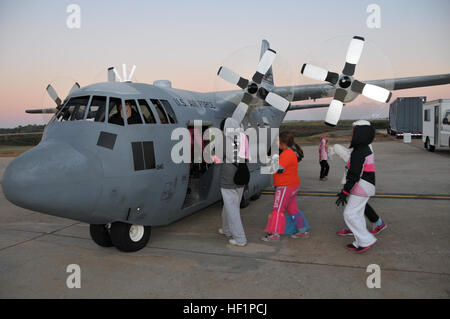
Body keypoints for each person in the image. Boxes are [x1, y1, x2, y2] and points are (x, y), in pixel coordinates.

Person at [335, 120, 378, 253]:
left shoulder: (359, 152)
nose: (350, 135)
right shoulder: (363, 148)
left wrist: (345, 192)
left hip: (362, 187)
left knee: (350, 214)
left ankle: (366, 240)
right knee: (357, 214)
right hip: (365, 185)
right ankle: (359, 241)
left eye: (353, 133)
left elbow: (354, 175)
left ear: (360, 135)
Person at [262, 132, 310, 242]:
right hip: (291, 186)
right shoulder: (290, 152)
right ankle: (302, 231)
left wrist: (263, 164)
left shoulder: (287, 154)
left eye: (278, 141)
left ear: (283, 142)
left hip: (285, 186)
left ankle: (275, 234)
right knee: (293, 209)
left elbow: (278, 169)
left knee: (277, 209)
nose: (277, 143)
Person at [332, 140, 387, 236]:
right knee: (358, 205)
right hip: (357, 180)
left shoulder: (364, 146)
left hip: (361, 181)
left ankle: (375, 226)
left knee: (355, 207)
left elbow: (355, 160)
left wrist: (339, 150)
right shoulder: (360, 144)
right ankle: (359, 228)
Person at [216, 119, 248, 247]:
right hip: (241, 176)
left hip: (228, 178)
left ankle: (240, 238)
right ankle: (226, 229)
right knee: (229, 205)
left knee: (232, 208)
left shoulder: (224, 140)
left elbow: (217, 159)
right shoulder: (243, 138)